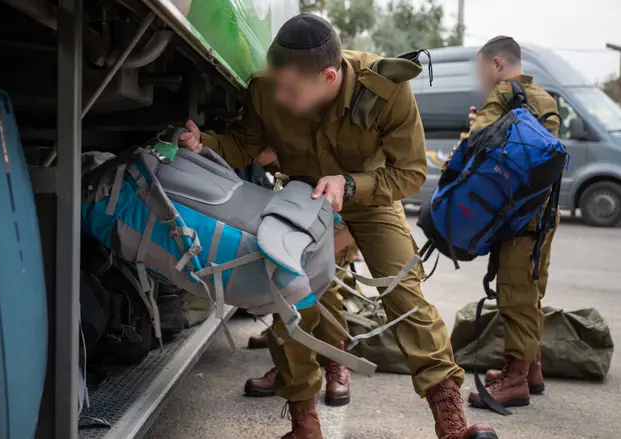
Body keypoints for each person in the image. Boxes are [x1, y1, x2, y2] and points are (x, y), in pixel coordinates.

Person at [179, 13, 496, 439]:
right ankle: (304, 425)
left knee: (404, 291)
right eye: (279, 86)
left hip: (370, 196)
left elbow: (410, 173)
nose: (283, 99)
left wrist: (351, 185)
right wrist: (207, 145)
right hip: (301, 198)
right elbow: (246, 143)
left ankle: (451, 421)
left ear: (330, 76)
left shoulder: (386, 91)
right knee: (287, 294)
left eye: (292, 90)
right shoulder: (268, 88)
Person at [455, 36, 560, 410]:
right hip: (545, 217)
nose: (481, 79)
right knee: (531, 293)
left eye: (482, 70)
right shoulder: (545, 99)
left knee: (514, 296)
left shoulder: (501, 96)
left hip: (517, 220)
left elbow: (472, 146)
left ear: (497, 64)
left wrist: (470, 134)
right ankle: (531, 368)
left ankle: (515, 380)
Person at [244, 224, 358, 407]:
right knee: (287, 283)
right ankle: (289, 367)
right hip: (298, 213)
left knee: (324, 286)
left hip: (345, 215)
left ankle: (335, 362)